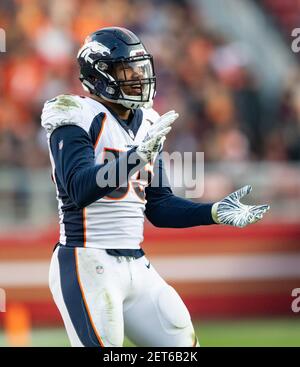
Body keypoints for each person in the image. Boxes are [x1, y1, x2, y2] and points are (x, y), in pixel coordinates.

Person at [41, 27, 269, 347]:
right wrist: (134, 159)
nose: (137, 78)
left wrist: (215, 211)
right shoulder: (75, 114)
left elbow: (159, 206)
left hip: (136, 262)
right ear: (100, 74)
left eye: (140, 69)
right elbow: (78, 189)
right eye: (127, 70)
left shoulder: (148, 120)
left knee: (182, 346)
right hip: (86, 261)